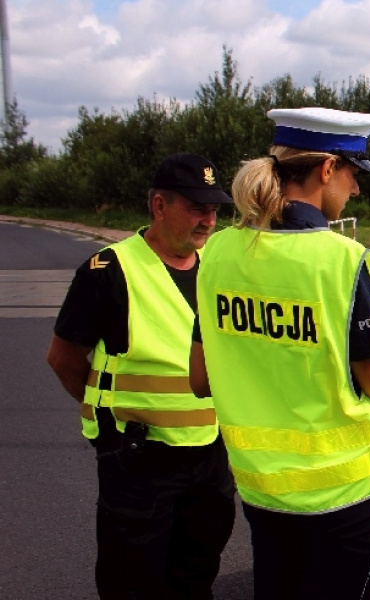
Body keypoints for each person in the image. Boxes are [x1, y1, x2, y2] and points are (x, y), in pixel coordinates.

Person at [188, 107, 370, 600]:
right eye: (353, 174)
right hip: (341, 499)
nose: (357, 190)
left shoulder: (217, 253)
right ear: (327, 169)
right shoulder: (338, 260)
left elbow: (201, 380)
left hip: (264, 491)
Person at [45, 152, 237, 600]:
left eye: (213, 209)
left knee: (195, 578)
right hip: (139, 458)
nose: (208, 220)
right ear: (158, 206)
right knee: (133, 583)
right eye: (196, 208)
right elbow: (63, 359)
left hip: (211, 459)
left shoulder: (219, 267)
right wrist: (108, 409)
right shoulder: (108, 271)